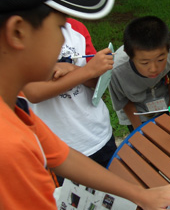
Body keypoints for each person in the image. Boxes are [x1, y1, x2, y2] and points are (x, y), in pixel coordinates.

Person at [0, 0, 170, 210]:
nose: (63, 40)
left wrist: (140, 195)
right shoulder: (9, 150)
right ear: (18, 32)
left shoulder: (15, 110)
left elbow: (62, 155)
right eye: (59, 27)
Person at [23, 17, 117, 179]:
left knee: (114, 198)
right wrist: (85, 71)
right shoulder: (22, 33)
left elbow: (96, 80)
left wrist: (72, 69)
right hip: (58, 149)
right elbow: (34, 92)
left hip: (98, 136)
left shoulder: (76, 28)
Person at [109, 16, 170, 132]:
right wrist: (138, 130)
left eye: (160, 60)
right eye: (144, 63)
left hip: (167, 98)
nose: (154, 69)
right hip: (137, 112)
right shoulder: (117, 71)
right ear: (129, 54)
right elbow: (124, 102)